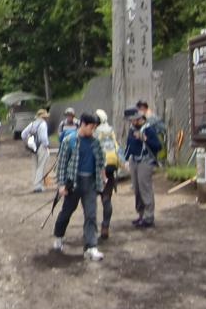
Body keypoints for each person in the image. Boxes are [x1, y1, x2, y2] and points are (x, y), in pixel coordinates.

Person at [52, 113, 105, 261]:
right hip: (73, 183)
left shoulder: (95, 142)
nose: (92, 130)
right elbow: (62, 164)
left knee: (91, 214)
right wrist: (61, 185)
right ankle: (58, 236)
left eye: (94, 128)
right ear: (82, 124)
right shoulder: (70, 140)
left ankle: (91, 247)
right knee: (67, 212)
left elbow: (100, 162)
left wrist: (103, 178)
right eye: (91, 127)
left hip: (91, 183)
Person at [125, 107, 161, 228]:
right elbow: (129, 145)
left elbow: (158, 146)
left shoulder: (149, 129)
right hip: (134, 161)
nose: (132, 122)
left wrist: (144, 138)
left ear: (140, 119)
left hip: (146, 161)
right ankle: (141, 214)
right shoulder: (131, 129)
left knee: (145, 187)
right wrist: (125, 159)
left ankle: (149, 216)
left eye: (134, 120)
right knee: (136, 189)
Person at [94, 109, 120, 242]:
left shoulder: (96, 132)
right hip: (111, 167)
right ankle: (105, 227)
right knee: (106, 199)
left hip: (98, 168)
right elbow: (116, 147)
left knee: (91, 200)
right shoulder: (110, 130)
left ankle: (92, 229)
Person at [21, 109, 51, 193]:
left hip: (33, 147)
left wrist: (27, 143)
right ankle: (38, 186)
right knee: (41, 166)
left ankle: (36, 185)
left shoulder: (32, 124)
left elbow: (23, 134)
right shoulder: (43, 124)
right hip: (41, 146)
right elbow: (44, 138)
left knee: (35, 166)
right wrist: (47, 145)